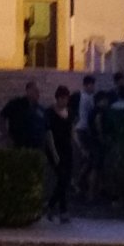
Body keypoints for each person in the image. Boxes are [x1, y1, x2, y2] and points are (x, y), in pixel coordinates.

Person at [45, 86, 76, 222]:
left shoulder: (70, 112)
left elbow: (72, 131)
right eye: (62, 98)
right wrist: (54, 153)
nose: (64, 101)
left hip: (67, 149)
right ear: (57, 98)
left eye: (66, 99)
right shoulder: (50, 113)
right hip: (55, 148)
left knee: (66, 180)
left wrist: (79, 146)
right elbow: (48, 133)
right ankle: (60, 209)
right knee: (62, 177)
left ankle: (54, 207)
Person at [0, 81, 49, 153]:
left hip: (36, 148)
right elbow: (2, 117)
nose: (38, 93)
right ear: (28, 91)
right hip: (19, 146)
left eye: (39, 91)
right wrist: (6, 136)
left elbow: (45, 128)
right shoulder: (16, 104)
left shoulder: (40, 109)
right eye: (36, 91)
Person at [75, 75, 100, 199]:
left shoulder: (87, 97)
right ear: (86, 85)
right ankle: (78, 182)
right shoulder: (84, 97)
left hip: (84, 130)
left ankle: (80, 184)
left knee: (88, 159)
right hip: (83, 130)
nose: (93, 87)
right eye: (92, 85)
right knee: (88, 158)